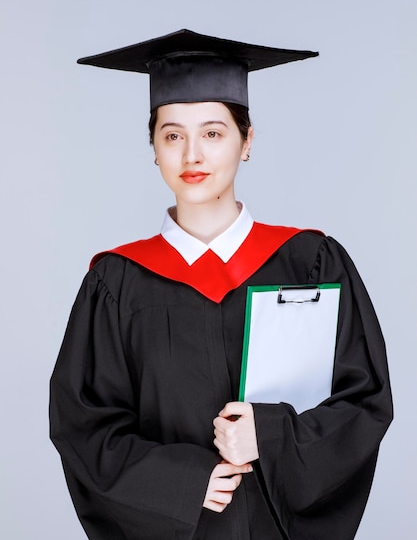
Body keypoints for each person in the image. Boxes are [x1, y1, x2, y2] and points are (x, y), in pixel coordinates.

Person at [50, 29, 392, 540]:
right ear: (153, 148)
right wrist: (182, 481)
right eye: (172, 135)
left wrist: (274, 436)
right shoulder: (116, 281)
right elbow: (82, 426)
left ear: (246, 141)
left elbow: (364, 402)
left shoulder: (311, 261)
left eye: (213, 133)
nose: (192, 155)